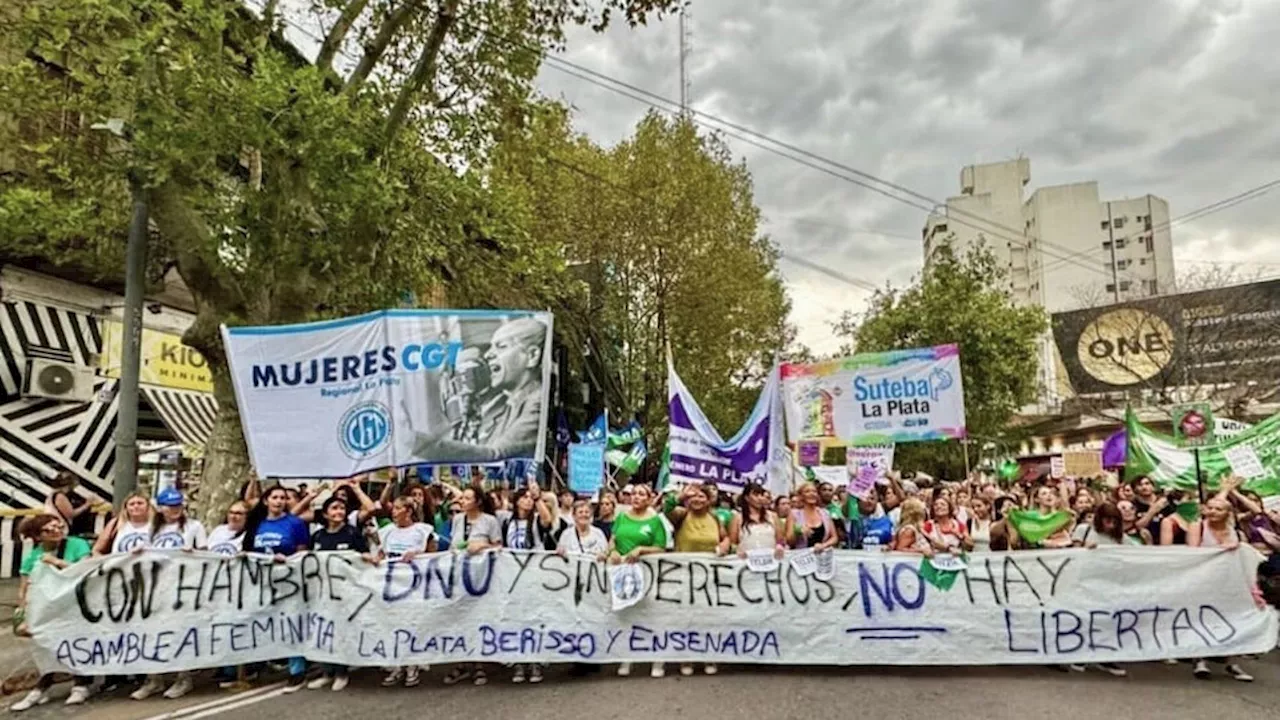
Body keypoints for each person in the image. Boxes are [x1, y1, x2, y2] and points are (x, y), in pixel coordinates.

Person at [410, 317, 548, 460]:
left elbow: (494, 454)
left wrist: (414, 442)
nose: (488, 355)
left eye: (501, 347)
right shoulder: (505, 404)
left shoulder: (538, 403)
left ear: (532, 356)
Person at [10, 515, 94, 710]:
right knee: (47, 647)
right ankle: (42, 687)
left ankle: (80, 683)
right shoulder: (33, 556)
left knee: (74, 643)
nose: (57, 531)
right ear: (38, 536)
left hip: (75, 605)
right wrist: (22, 612)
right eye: (49, 530)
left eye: (59, 526)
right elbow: (24, 586)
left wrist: (56, 562)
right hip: (47, 610)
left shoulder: (77, 545)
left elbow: (85, 570)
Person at [131, 488, 206, 701]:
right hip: (156, 588)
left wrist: (194, 554)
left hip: (183, 588)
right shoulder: (152, 529)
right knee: (151, 633)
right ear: (161, 508)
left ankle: (183, 677)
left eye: (178, 505)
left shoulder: (194, 527)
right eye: (170, 506)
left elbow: (206, 554)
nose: (175, 510)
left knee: (180, 632)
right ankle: (154, 678)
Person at [242, 485, 311, 692]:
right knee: (262, 621)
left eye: (283, 498)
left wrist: (288, 561)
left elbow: (302, 554)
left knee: (291, 623)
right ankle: (259, 664)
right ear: (266, 501)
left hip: (288, 582)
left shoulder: (296, 524)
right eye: (275, 497)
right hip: (261, 581)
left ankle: (296, 670)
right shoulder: (256, 524)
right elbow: (248, 549)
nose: (279, 501)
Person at [309, 496, 375, 691]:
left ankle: (341, 672)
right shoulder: (318, 537)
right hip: (322, 591)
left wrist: (366, 558)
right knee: (323, 630)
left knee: (341, 631)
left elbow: (362, 558)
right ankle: (326, 671)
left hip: (345, 592)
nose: (339, 512)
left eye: (342, 508)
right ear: (325, 514)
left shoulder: (352, 533)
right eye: (334, 508)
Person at [1186, 496, 1253, 682]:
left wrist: (1239, 546)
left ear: (1228, 513)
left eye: (1219, 509)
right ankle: (1200, 659)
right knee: (1203, 619)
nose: (1213, 512)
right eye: (1210, 508)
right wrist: (1223, 548)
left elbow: (1245, 554)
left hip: (1230, 582)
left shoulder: (1236, 532)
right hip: (1204, 581)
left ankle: (1232, 661)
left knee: (1233, 620)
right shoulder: (1197, 527)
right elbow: (1192, 553)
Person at [444, 486, 502, 687]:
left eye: (467, 498)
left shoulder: (490, 521)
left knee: (479, 618)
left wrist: (483, 546)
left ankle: (479, 664)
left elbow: (499, 547)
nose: (462, 501)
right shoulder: (458, 520)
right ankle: (461, 663)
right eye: (462, 498)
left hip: (481, 579)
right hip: (460, 578)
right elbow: (454, 545)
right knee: (460, 618)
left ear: (477, 501)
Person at [608, 483, 668, 678]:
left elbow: (661, 547)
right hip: (624, 573)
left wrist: (642, 549)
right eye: (634, 494)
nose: (636, 497)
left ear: (649, 499)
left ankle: (657, 659)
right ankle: (628, 657)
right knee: (627, 614)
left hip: (648, 572)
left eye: (641, 494)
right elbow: (613, 539)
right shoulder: (621, 517)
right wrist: (613, 551)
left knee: (652, 614)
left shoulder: (655, 521)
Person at [377, 496, 437, 688]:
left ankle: (412, 665)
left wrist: (418, 555)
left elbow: (435, 556)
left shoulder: (422, 531)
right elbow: (380, 555)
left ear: (409, 511)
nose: (394, 512)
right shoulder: (386, 532)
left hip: (414, 586)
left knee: (411, 623)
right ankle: (396, 665)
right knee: (392, 624)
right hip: (391, 586)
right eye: (393, 509)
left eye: (397, 508)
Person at [732, 482, 784, 558]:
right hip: (746, 563)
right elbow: (732, 543)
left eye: (761, 495)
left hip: (770, 561)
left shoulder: (773, 516)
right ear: (747, 498)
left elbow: (781, 539)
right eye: (756, 495)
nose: (759, 498)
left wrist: (780, 546)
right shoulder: (738, 518)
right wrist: (738, 551)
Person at [784, 483, 838, 552]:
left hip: (821, 557)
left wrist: (823, 545)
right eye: (807, 491)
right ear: (801, 496)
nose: (812, 494)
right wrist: (798, 530)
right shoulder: (794, 514)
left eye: (814, 491)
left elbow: (834, 537)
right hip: (801, 558)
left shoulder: (825, 513)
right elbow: (789, 541)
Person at [45, 471, 95, 540]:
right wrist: (87, 505)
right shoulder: (60, 496)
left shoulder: (52, 495)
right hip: (62, 529)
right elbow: (71, 514)